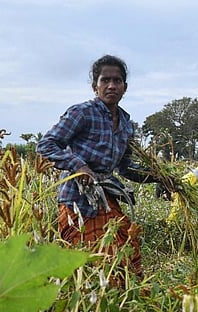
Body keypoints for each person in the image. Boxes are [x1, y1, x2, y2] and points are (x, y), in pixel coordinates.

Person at [37, 55, 156, 280]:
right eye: (105, 80)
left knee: (124, 250)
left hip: (105, 196)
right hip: (77, 199)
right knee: (88, 261)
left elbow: (126, 168)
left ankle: (120, 307)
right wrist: (78, 166)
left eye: (117, 80)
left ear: (125, 87)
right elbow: (46, 145)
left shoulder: (126, 124)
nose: (111, 85)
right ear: (95, 86)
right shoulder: (82, 113)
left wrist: (158, 177)